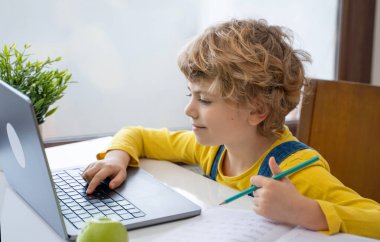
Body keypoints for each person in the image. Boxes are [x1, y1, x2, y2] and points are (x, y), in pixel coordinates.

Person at [82, 19, 380, 239]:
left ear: (257, 111)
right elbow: (138, 135)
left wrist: (305, 210)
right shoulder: (212, 146)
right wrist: (116, 158)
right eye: (191, 95)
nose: (189, 110)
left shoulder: (298, 171)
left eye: (205, 100)